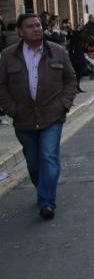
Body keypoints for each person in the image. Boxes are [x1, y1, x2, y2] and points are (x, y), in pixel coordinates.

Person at [0, 13, 77, 220]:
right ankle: (43, 188)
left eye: (38, 25)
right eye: (30, 26)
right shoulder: (8, 56)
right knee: (33, 162)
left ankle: (46, 202)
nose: (36, 28)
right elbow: (2, 85)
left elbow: (70, 79)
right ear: (19, 32)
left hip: (52, 115)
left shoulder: (57, 51)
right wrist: (11, 108)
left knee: (48, 156)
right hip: (23, 118)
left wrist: (64, 104)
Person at [64, 19, 86, 93]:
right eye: (68, 23)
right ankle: (74, 87)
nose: (70, 24)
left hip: (79, 52)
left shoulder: (74, 31)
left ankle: (78, 86)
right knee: (75, 71)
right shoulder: (66, 32)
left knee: (80, 71)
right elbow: (72, 39)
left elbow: (82, 38)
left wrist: (79, 31)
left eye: (70, 23)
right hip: (73, 54)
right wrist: (77, 31)